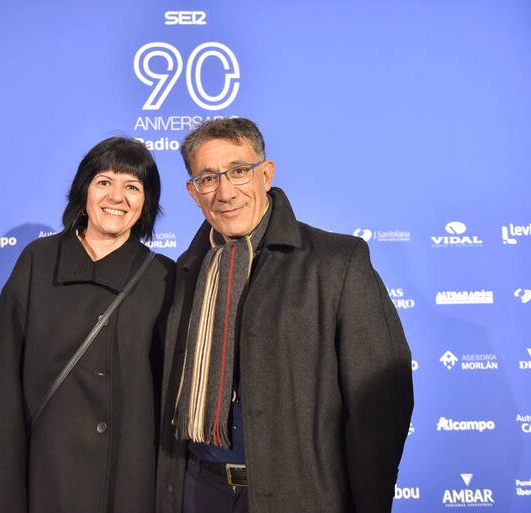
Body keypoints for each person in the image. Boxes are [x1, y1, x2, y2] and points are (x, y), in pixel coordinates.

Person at [155, 118, 414, 513]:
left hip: (300, 497)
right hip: (200, 490)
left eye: (238, 171)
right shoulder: (186, 272)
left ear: (266, 174)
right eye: (208, 179)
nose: (225, 192)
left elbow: (381, 405)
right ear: (193, 192)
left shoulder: (337, 261)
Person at [0, 137, 175, 513]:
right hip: (48, 478)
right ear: (84, 192)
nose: (117, 197)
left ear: (146, 203)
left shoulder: (162, 277)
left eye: (132, 187)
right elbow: (4, 392)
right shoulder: (37, 262)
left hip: (129, 482)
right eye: (104, 182)